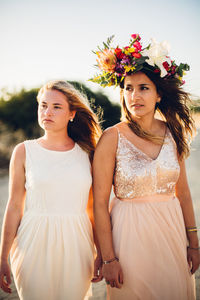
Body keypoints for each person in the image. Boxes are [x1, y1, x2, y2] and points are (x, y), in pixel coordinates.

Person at [91, 34, 200, 299]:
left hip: (171, 233)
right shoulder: (111, 138)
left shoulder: (173, 134)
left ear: (158, 94)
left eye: (143, 88)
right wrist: (108, 258)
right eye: (128, 88)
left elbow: (183, 193)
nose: (134, 95)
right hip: (129, 238)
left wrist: (194, 244)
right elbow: (99, 203)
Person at [0, 80, 102, 300]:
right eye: (43, 105)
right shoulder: (23, 151)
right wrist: (2, 257)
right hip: (32, 241)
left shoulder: (88, 154)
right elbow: (14, 206)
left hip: (78, 243)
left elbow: (94, 208)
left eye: (57, 107)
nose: (48, 112)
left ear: (72, 113)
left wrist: (102, 252)